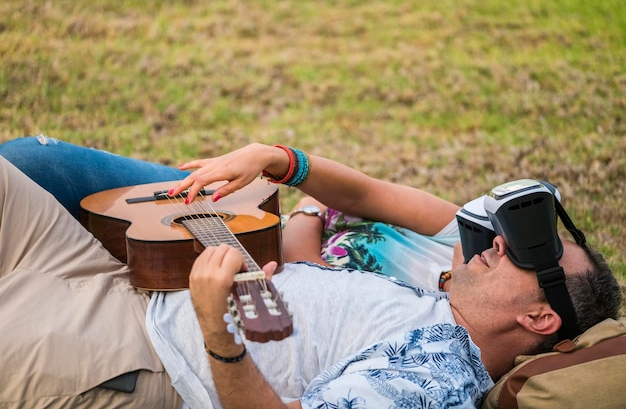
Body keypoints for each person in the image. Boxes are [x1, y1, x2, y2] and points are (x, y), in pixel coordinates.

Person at [0, 138, 621, 409]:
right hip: (106, 271)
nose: (497, 247)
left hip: (133, 353)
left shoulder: (432, 383)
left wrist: (219, 329)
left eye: (526, 258)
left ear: (538, 317)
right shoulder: (429, 296)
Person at [0, 136, 461, 291]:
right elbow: (367, 192)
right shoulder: (473, 232)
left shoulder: (461, 318)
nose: (496, 244)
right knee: (33, 162)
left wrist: (308, 211)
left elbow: (309, 276)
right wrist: (275, 157)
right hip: (246, 209)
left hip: (252, 275)